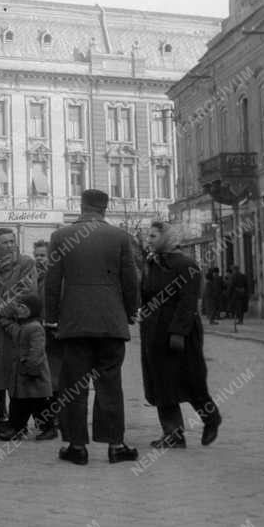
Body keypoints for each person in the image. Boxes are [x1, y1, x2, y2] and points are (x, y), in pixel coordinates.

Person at [45, 190, 140, 466]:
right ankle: (115, 445)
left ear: (82, 206)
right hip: (111, 322)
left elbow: (51, 283)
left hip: (74, 323)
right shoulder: (120, 237)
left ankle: (77, 447)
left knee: (73, 385)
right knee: (110, 383)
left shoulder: (61, 237)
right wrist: (131, 311)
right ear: (104, 208)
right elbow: (130, 280)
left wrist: (51, 317)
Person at [140, 222, 222, 448]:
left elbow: (188, 303)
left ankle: (211, 418)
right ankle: (173, 434)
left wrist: (178, 332)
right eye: (148, 236)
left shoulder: (187, 265)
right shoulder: (151, 264)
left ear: (166, 238)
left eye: (153, 236)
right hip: (153, 332)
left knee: (191, 380)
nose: (149, 240)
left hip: (181, 334)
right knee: (161, 384)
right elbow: (144, 295)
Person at [0, 228, 38, 427]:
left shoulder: (26, 263)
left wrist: (4, 311)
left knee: (18, 372)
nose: (9, 245)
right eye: (4, 242)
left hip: (17, 326)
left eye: (12, 241)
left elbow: (28, 294)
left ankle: (18, 421)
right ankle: (4, 415)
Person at [0, 295, 51, 442]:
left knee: (39, 405)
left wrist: (29, 370)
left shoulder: (35, 328)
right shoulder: (22, 326)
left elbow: (37, 352)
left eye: (22, 307)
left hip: (33, 376)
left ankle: (48, 428)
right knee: (18, 404)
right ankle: (17, 428)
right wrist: (2, 316)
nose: (18, 309)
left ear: (31, 311)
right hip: (22, 376)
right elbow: (9, 326)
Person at [33, 239, 60, 440]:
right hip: (39, 333)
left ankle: (53, 422)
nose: (39, 259)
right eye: (37, 255)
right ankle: (49, 421)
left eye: (43, 255)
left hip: (53, 334)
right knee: (44, 380)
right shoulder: (36, 278)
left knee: (53, 381)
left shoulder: (57, 278)